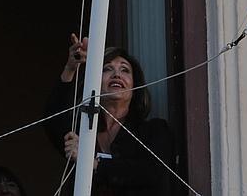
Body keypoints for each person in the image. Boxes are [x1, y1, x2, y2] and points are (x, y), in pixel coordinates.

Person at [46, 34, 174, 196]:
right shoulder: (82, 130)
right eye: (107, 69)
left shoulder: (154, 131)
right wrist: (71, 68)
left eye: (124, 70)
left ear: (136, 86)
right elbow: (53, 119)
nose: (116, 75)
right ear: (94, 83)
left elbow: (151, 172)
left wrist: (91, 163)